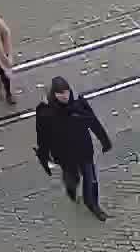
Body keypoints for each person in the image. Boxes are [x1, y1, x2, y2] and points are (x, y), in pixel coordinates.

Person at [33, 76, 113, 221]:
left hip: (84, 149)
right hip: (64, 154)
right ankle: (71, 189)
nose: (65, 96)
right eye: (60, 93)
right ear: (54, 94)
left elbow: (92, 120)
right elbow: (42, 137)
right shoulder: (45, 111)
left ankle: (93, 205)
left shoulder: (79, 103)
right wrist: (44, 157)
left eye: (66, 92)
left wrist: (104, 140)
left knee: (91, 179)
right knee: (72, 177)